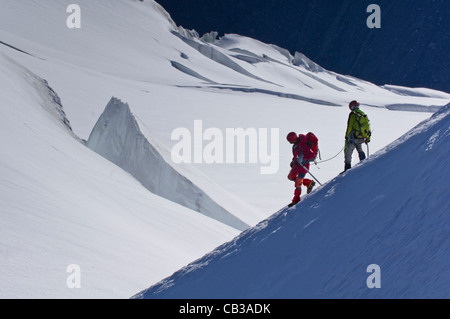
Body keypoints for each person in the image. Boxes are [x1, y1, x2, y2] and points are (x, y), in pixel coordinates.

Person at [286, 132, 319, 207]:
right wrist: (293, 161)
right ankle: (308, 182)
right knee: (290, 177)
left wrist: (302, 159)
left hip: (303, 167)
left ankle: (296, 200)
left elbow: (312, 156)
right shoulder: (295, 146)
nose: (290, 143)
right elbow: (295, 155)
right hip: (296, 165)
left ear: (293, 139)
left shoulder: (303, 145)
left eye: (290, 141)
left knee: (297, 183)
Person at [344, 100, 371, 172]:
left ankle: (347, 168)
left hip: (353, 137)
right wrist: (368, 138)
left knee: (348, 152)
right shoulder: (363, 114)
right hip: (361, 137)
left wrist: (346, 136)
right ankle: (363, 162)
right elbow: (368, 127)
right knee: (360, 149)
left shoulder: (353, 114)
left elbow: (349, 126)